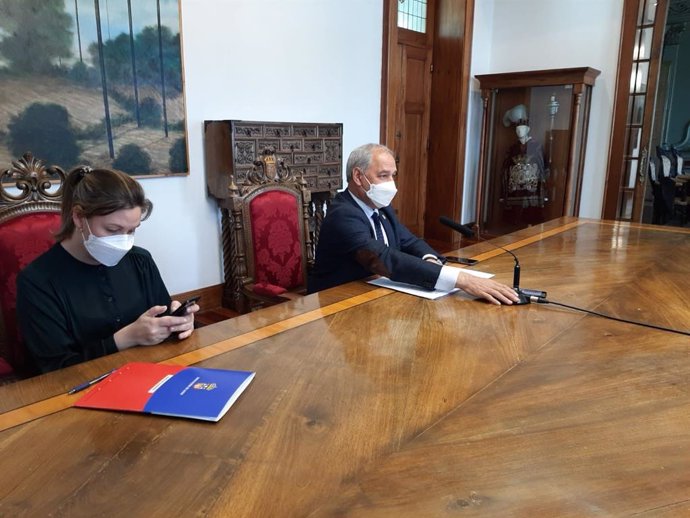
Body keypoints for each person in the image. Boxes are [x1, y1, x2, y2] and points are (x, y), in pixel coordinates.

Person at [16, 167, 199, 373]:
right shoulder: (38, 281)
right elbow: (54, 369)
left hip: (148, 375)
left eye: (132, 230)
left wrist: (179, 324)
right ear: (78, 217)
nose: (123, 241)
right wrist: (124, 339)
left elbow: (161, 320)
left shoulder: (140, 261)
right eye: (113, 230)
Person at [307, 143, 519, 305]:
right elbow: (381, 258)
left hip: (376, 292)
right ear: (358, 176)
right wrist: (460, 279)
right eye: (383, 175)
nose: (391, 184)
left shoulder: (381, 206)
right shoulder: (342, 214)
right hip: (337, 301)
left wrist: (431, 260)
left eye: (393, 175)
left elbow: (409, 241)